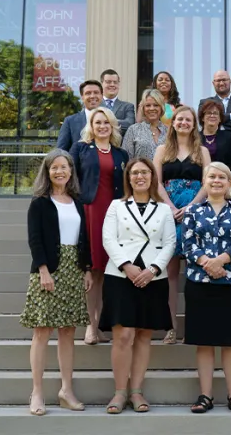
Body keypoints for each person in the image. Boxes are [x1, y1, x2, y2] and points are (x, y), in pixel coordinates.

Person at [100, 158, 176, 414]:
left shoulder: (164, 209)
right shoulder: (116, 206)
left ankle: (137, 391)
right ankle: (120, 392)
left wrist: (153, 269)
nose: (140, 176)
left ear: (152, 177)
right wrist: (127, 266)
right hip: (121, 275)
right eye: (135, 173)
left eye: (145, 172)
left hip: (153, 276)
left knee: (144, 334)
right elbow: (108, 238)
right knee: (123, 335)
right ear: (128, 178)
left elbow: (169, 243)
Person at [20, 149, 93, 416]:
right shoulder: (39, 202)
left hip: (74, 269)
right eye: (54, 168)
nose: (60, 171)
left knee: (68, 331)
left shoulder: (77, 201)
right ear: (47, 171)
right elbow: (35, 238)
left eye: (64, 167)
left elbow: (83, 237)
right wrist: (43, 270)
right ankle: (37, 392)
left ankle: (66, 390)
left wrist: (86, 268)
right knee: (42, 330)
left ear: (71, 171)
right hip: (48, 268)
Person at [182, 162, 231, 415]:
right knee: (205, 342)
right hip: (199, 283)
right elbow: (187, 244)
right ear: (205, 181)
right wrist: (207, 264)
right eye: (212, 176)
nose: (217, 181)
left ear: (229, 183)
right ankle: (206, 395)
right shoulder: (193, 211)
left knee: (230, 342)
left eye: (222, 177)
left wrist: (220, 262)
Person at [69, 107, 129, 345]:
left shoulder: (121, 154)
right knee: (92, 270)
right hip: (90, 211)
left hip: (114, 214)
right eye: (97, 122)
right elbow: (71, 178)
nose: (102, 126)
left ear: (112, 126)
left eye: (106, 122)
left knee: (107, 270)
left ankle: (100, 322)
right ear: (91, 127)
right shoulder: (81, 148)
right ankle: (90, 326)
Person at [153, 106, 211, 344]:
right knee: (171, 273)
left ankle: (197, 325)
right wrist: (169, 207)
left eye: (188, 119)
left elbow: (209, 182)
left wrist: (191, 208)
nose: (184, 122)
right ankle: (171, 327)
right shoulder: (162, 150)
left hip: (196, 213)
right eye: (180, 119)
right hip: (168, 212)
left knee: (197, 271)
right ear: (173, 123)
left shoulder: (202, 151)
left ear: (193, 123)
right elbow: (155, 182)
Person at [198, 99, 231, 178]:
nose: (212, 115)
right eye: (208, 113)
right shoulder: (195, 138)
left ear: (220, 119)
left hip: (222, 179)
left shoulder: (229, 137)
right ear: (202, 118)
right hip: (199, 180)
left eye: (216, 113)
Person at [57, 80, 104, 151]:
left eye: (96, 92)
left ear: (102, 96)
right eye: (88, 93)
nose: (92, 96)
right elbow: (61, 151)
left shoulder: (110, 120)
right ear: (82, 97)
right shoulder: (70, 122)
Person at [122, 89, 168, 160]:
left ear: (161, 108)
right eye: (148, 105)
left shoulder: (169, 132)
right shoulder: (133, 130)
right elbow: (125, 159)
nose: (152, 108)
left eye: (156, 105)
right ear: (143, 108)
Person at [100, 69, 135, 136]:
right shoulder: (94, 105)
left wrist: (102, 121)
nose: (112, 85)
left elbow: (130, 124)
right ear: (102, 84)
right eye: (108, 82)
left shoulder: (128, 106)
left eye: (115, 82)